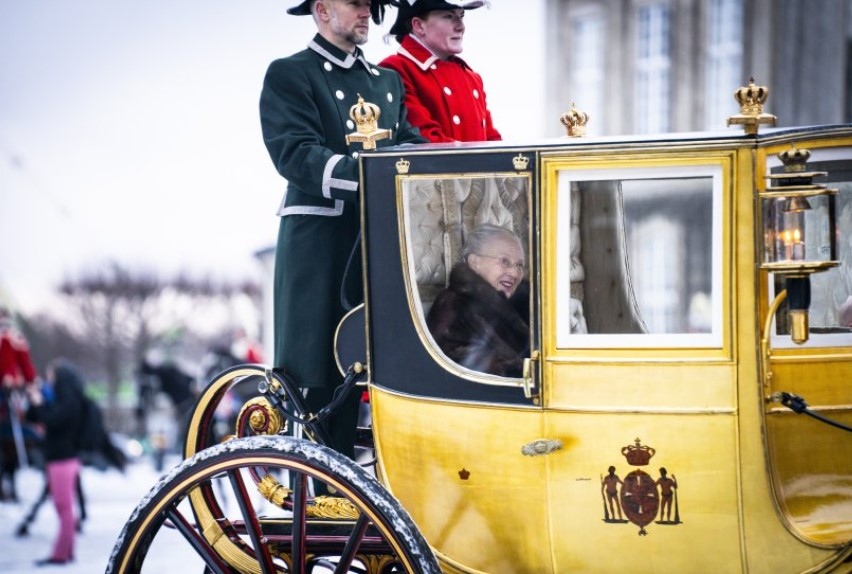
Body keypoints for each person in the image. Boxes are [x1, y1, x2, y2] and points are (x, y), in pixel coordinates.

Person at [259, 0, 426, 464]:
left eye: (370, 5)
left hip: (378, 244)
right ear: (321, 11)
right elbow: (295, 153)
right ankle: (316, 496)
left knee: (378, 371)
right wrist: (374, 179)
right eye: (354, 3)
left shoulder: (386, 83)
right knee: (318, 381)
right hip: (322, 249)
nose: (366, 13)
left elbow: (409, 144)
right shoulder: (291, 74)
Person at [380, 0, 501, 143]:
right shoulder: (396, 69)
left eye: (461, 16)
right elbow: (423, 138)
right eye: (449, 17)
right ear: (419, 26)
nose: (461, 27)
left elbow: (492, 139)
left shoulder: (472, 77)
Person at [426, 224, 529, 376]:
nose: (515, 272)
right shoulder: (454, 306)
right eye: (504, 261)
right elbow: (468, 372)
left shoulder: (527, 304)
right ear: (474, 263)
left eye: (519, 265)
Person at [25, 359, 86, 566]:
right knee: (64, 507)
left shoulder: (70, 401)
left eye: (51, 376)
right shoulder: (60, 399)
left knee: (64, 507)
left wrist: (40, 403)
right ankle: (66, 551)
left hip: (63, 460)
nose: (48, 380)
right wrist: (36, 399)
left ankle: (61, 554)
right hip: (60, 460)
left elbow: (51, 421)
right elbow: (35, 417)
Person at [0, 305, 38, 501]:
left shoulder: (15, 338)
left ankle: (11, 481)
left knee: (12, 439)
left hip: (9, 392)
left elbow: (25, 364)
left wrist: (29, 384)